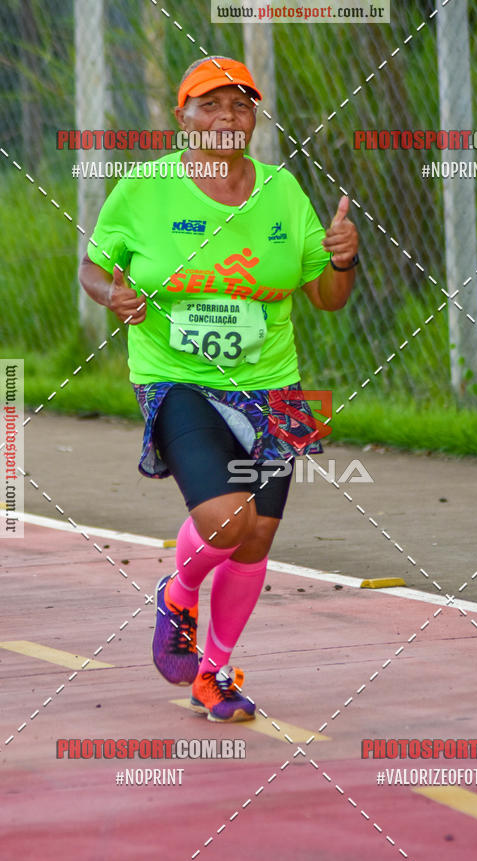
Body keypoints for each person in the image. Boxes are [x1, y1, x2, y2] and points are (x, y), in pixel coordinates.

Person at [79, 56, 359, 723]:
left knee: (259, 537)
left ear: (254, 118)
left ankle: (215, 672)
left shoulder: (283, 191)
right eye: (210, 105)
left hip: (276, 385)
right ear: (183, 118)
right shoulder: (144, 189)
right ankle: (178, 595)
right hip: (178, 376)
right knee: (226, 520)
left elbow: (327, 297)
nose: (226, 118)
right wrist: (111, 294)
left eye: (239, 105)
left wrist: (345, 257)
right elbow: (94, 266)